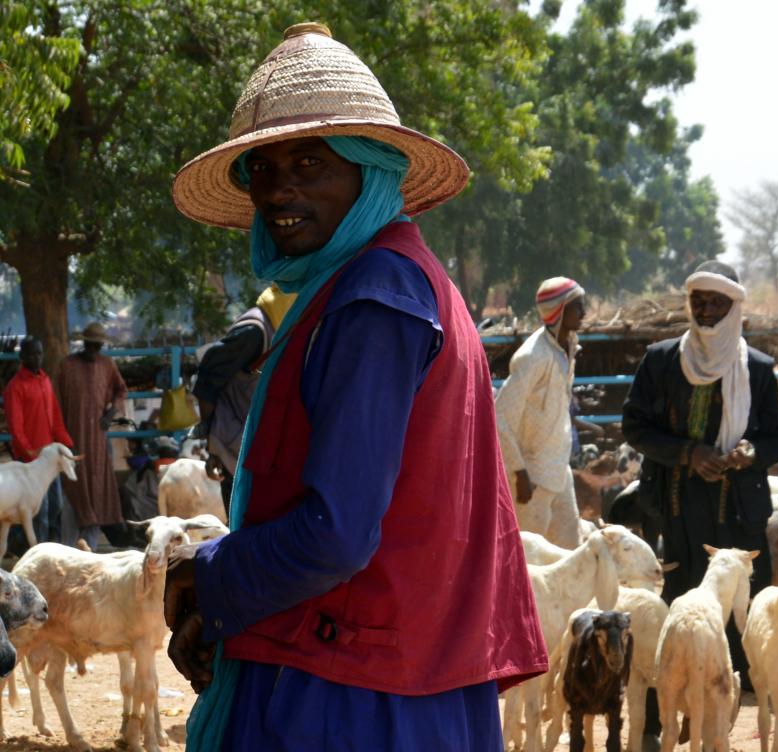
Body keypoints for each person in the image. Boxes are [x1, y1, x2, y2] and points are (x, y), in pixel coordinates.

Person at [163, 23, 545, 749]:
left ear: (367, 172)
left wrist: (206, 575)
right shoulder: (397, 280)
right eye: (265, 171)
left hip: (349, 693)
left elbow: (335, 536)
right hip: (404, 675)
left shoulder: (375, 295)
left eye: (311, 163)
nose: (280, 191)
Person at [623, 259, 778, 717]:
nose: (708, 311)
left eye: (718, 302)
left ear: (733, 307)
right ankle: (661, 715)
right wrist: (687, 453)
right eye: (701, 301)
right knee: (674, 601)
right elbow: (634, 426)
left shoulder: (756, 369)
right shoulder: (660, 361)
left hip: (734, 510)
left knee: (735, 612)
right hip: (674, 507)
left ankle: (724, 715)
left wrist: (748, 453)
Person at [494, 277, 586, 549]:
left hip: (559, 468)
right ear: (558, 311)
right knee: (527, 558)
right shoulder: (532, 357)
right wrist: (519, 473)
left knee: (570, 551)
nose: (584, 313)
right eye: (576, 307)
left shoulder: (568, 347)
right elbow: (500, 417)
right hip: (532, 477)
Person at [190, 284, 295, 511]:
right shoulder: (254, 332)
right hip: (234, 445)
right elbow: (207, 380)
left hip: (262, 446)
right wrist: (212, 445)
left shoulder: (283, 328)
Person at [54, 321, 127, 550]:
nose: (95, 349)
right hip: (71, 439)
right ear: (84, 342)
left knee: (96, 489)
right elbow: (56, 404)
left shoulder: (107, 365)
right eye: (91, 344)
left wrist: (111, 413)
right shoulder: (67, 366)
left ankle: (90, 551)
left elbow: (120, 389)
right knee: (72, 491)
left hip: (96, 439)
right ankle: (66, 550)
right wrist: (63, 439)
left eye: (98, 345)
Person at [3, 336, 73, 550]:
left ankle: (51, 548)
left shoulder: (45, 381)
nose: (37, 357)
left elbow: (56, 419)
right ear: (22, 357)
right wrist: (30, 452)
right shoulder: (15, 387)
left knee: (57, 505)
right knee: (39, 511)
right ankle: (38, 552)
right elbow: (16, 426)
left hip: (50, 458)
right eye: (32, 353)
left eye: (40, 353)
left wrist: (67, 445)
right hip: (31, 460)